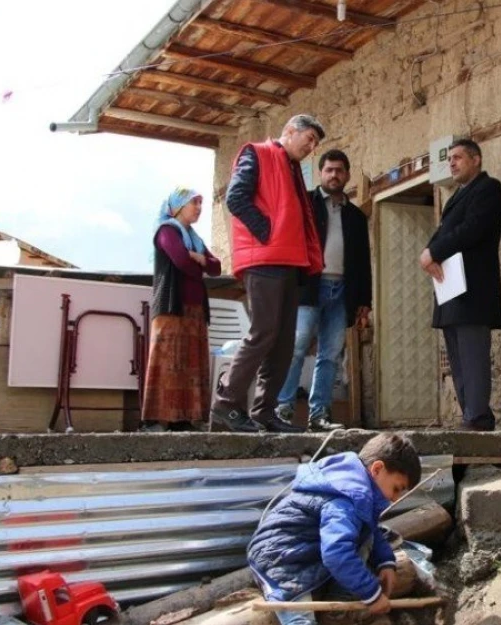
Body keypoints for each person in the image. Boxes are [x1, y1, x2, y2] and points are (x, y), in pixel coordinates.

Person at [210, 115, 326, 434]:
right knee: (263, 333)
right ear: (289, 132)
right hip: (265, 259)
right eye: (310, 138)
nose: (312, 147)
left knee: (283, 342)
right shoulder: (256, 153)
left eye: (316, 143)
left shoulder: (292, 168)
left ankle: (264, 411)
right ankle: (226, 404)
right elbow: (236, 198)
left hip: (288, 262)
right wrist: (267, 232)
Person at [247, 433, 422, 625]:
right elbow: (336, 553)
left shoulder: (359, 492)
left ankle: (336, 612)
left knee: (364, 537)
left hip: (307, 550)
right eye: (396, 488)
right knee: (298, 617)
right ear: (377, 469)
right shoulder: (345, 500)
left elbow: (370, 529)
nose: (395, 499)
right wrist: (372, 593)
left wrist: (385, 562)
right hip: (279, 558)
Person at [276, 149, 372, 432]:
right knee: (296, 345)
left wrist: (364, 300)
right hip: (309, 287)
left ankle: (319, 414)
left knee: (330, 353)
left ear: (347, 175)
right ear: (320, 173)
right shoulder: (305, 204)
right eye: (329, 170)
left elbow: (363, 260)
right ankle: (283, 407)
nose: (334, 175)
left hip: (342, 290)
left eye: (339, 170)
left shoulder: (355, 215)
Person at [418, 139, 501, 432]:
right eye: (450, 159)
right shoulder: (457, 195)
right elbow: (445, 232)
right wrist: (431, 252)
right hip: (452, 289)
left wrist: (434, 252)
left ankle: (478, 415)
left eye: (458, 157)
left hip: (474, 288)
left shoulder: (489, 188)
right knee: (456, 358)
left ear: (476, 159)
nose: (452, 163)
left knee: (473, 356)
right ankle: (471, 414)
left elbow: (472, 229)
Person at [140, 188, 221, 432]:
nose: (198, 208)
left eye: (200, 203)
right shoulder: (166, 231)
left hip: (195, 310)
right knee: (168, 362)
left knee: (190, 363)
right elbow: (181, 261)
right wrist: (198, 263)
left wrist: (200, 259)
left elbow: (216, 267)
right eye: (193, 203)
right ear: (178, 206)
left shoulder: (193, 238)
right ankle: (154, 420)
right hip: (171, 308)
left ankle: (183, 419)